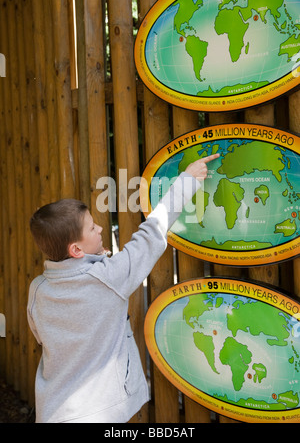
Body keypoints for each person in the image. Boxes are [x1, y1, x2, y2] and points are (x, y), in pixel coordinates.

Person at [27, 154, 219, 423]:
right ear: (76, 249)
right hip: (100, 413)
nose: (100, 228)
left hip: (54, 410)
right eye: (92, 228)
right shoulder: (109, 277)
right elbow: (151, 233)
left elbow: (41, 335)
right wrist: (187, 181)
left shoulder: (38, 289)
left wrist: (95, 260)